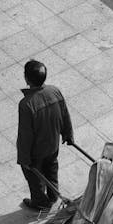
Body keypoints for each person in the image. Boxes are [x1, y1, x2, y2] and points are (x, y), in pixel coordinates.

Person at [17, 59, 74, 211]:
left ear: (27, 78)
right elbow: (64, 114)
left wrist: (24, 159)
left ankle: (40, 202)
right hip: (53, 143)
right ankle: (53, 194)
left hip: (37, 151)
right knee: (51, 168)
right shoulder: (54, 91)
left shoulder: (26, 104)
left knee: (34, 177)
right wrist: (68, 134)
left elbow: (25, 134)